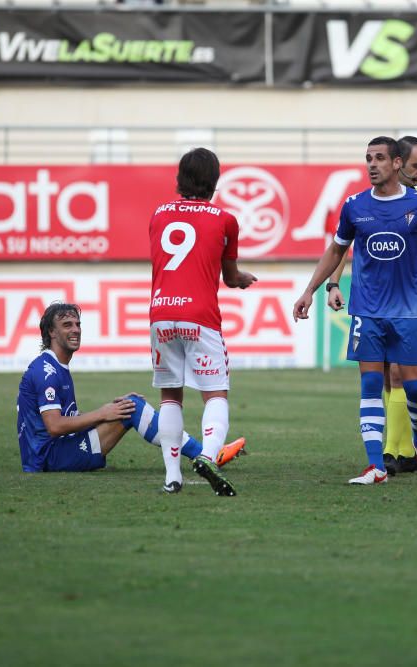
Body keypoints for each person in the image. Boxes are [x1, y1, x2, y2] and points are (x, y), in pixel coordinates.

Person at [293, 135, 417, 485]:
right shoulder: (354, 206)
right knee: (370, 383)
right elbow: (337, 250)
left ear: (396, 163)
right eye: (368, 158)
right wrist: (312, 289)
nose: (372, 164)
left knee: (413, 389)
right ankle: (375, 465)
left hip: (408, 311)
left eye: (380, 158)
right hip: (367, 311)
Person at [16, 303, 247, 474]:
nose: (75, 330)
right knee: (134, 407)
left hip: (52, 452)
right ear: (51, 333)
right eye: (67, 325)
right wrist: (102, 414)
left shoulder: (55, 366)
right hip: (48, 458)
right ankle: (207, 455)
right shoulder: (46, 372)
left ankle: (205, 454)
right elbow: (55, 426)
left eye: (77, 324)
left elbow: (64, 421)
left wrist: (109, 410)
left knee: (127, 407)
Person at [149, 147, 256, 495]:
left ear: (179, 179)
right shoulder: (225, 220)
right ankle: (208, 456)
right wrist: (239, 279)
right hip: (200, 316)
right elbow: (228, 276)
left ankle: (172, 476)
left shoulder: (159, 215)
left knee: (170, 396)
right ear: (215, 180)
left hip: (161, 313)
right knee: (215, 394)